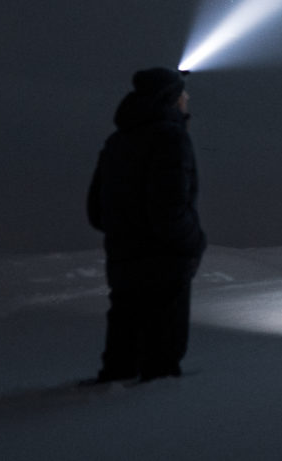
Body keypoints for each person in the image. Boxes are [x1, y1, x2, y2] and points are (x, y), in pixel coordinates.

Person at [86, 66, 205, 383]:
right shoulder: (170, 138)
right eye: (182, 93)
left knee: (122, 345)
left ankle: (104, 402)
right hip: (165, 261)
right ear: (170, 98)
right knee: (160, 366)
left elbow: (96, 211)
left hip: (123, 259)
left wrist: (124, 233)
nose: (187, 98)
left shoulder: (117, 142)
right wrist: (193, 243)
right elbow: (169, 208)